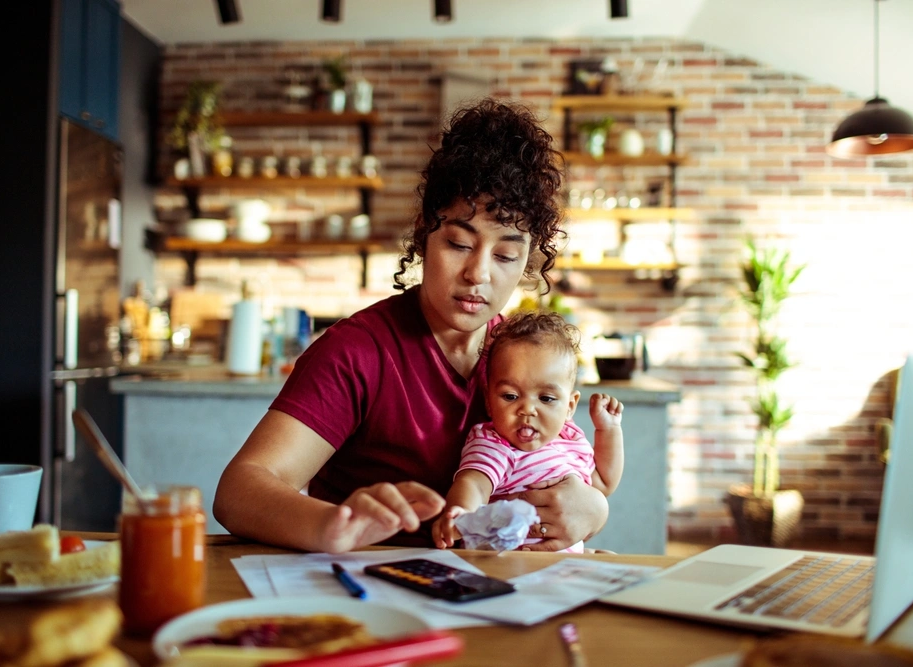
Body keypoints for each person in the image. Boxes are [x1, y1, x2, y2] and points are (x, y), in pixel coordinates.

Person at [213, 98, 610, 553]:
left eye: (505, 255)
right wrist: (334, 526)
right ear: (424, 233)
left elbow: (564, 467)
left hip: (502, 591)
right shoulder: (358, 352)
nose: (478, 274)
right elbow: (240, 492)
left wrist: (594, 509)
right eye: (459, 244)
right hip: (377, 588)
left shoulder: (523, 357)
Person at [432, 310, 624, 553]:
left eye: (546, 398)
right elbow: (474, 484)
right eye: (510, 396)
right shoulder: (495, 443)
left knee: (613, 561)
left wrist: (608, 430)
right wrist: (460, 513)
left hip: (562, 565)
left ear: (570, 406)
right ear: (489, 402)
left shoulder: (570, 439)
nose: (527, 409)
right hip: (510, 563)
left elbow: (603, 483)